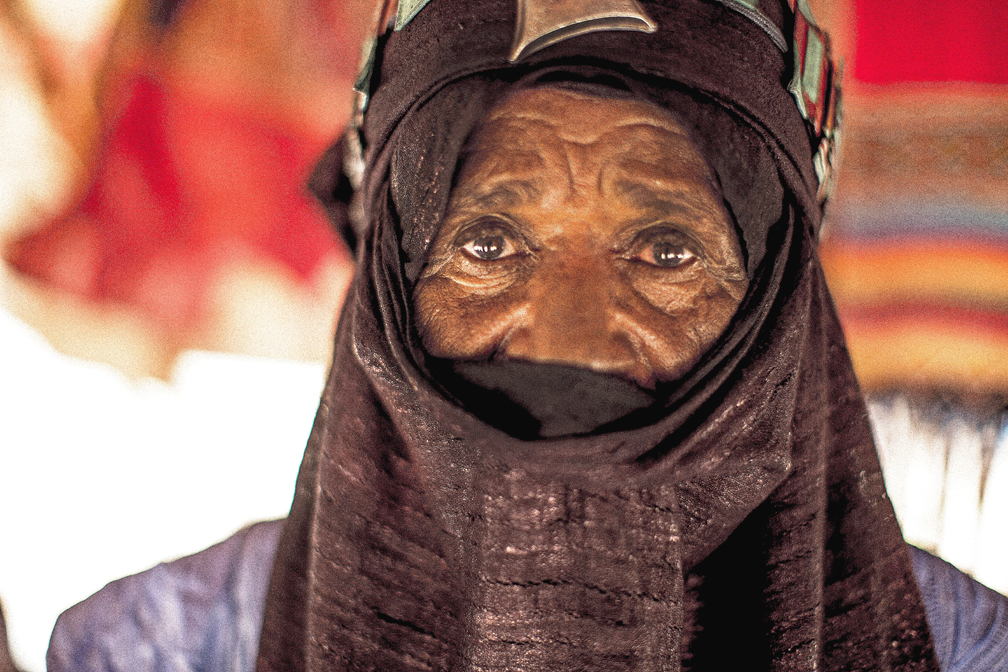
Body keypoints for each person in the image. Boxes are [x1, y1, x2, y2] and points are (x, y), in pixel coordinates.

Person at [46, 0, 1008, 670]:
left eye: (667, 253)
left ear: (774, 302)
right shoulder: (155, 650)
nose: (573, 340)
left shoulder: (967, 654)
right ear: (389, 284)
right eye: (490, 243)